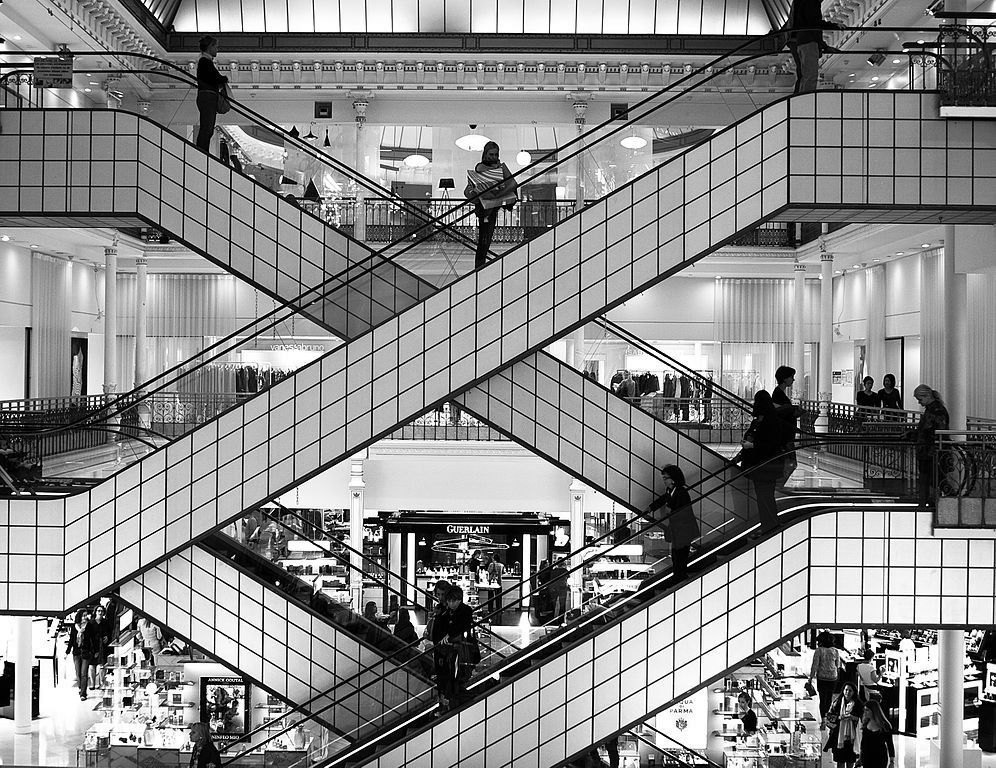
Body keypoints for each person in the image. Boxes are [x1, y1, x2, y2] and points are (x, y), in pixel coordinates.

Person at [740, 390, 790, 534]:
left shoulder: (771, 421)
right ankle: (768, 524)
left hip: (767, 466)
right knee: (763, 498)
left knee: (766, 497)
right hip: (760, 466)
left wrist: (752, 445)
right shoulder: (760, 420)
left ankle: (770, 526)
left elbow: (772, 444)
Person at [464, 141, 517, 269]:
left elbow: (512, 184)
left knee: (485, 239)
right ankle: (479, 267)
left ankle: (480, 267)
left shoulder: (501, 168)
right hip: (484, 208)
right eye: (491, 154)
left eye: (496, 154)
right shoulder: (480, 169)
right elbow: (468, 191)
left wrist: (498, 195)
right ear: (485, 154)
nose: (493, 157)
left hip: (493, 207)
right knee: (484, 240)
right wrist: (476, 193)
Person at [645, 465, 699, 580]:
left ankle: (680, 576)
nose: (664, 481)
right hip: (678, 529)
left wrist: (670, 511)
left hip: (684, 529)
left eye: (665, 478)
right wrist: (650, 508)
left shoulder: (681, 492)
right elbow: (663, 499)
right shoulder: (671, 490)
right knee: (676, 554)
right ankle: (678, 575)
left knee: (680, 554)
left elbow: (683, 511)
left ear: (673, 479)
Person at [430, 586, 475, 710]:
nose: (450, 603)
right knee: (447, 675)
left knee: (453, 676)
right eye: (449, 601)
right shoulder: (446, 611)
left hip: (457, 650)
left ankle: (450, 701)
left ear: (459, 600)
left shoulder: (462, 611)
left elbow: (461, 627)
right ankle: (447, 700)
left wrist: (449, 635)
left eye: (453, 601)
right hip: (447, 649)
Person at [783, 0, 841, 94]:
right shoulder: (811, 2)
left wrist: (824, 46)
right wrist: (834, 25)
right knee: (810, 75)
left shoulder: (800, 3)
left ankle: (800, 100)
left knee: (804, 75)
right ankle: (805, 101)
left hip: (799, 41)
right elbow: (813, 23)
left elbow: (808, 23)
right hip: (808, 41)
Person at [910, 384, 950, 505]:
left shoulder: (937, 410)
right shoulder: (933, 409)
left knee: (934, 480)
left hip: (932, 452)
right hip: (928, 452)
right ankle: (928, 503)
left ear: (927, 396)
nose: (919, 403)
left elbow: (936, 431)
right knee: (931, 479)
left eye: (920, 400)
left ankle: (931, 504)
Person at [195, 36, 228, 154]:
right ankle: (202, 151)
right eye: (215, 46)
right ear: (210, 47)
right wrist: (223, 79)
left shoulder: (205, 61)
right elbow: (213, 78)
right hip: (208, 97)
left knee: (208, 127)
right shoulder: (205, 62)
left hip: (207, 97)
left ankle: (203, 151)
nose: (217, 49)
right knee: (207, 127)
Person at [772, 365, 802, 485]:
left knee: (789, 463)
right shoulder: (778, 394)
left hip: (786, 434)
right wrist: (792, 409)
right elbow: (780, 412)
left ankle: (778, 486)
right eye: (791, 377)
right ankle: (778, 486)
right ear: (785, 378)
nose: (793, 380)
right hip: (784, 435)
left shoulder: (780, 393)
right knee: (789, 463)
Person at [810, 631, 844, 726]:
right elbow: (837, 665)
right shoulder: (835, 651)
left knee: (822, 698)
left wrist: (810, 678)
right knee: (829, 697)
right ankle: (826, 714)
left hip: (822, 677)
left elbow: (815, 665)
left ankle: (823, 719)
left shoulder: (819, 651)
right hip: (833, 677)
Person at [66, 609, 101, 700]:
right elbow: (71, 640)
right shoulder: (74, 627)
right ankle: (81, 688)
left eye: (86, 615)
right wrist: (67, 651)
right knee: (78, 673)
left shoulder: (89, 626)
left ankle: (83, 693)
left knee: (84, 673)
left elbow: (93, 639)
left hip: (86, 652)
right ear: (79, 616)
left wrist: (96, 650)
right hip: (76, 653)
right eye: (83, 615)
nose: (85, 617)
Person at [825, 682, 862, 768]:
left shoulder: (858, 704)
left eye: (850, 691)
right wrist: (839, 717)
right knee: (840, 762)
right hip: (838, 737)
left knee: (850, 761)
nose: (847, 692)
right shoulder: (837, 703)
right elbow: (829, 717)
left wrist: (853, 718)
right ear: (843, 691)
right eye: (846, 690)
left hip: (852, 738)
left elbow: (863, 719)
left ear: (854, 692)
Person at [859, 698, 896, 768]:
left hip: (880, 758)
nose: (865, 712)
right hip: (867, 757)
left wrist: (892, 761)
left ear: (873, 711)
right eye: (864, 710)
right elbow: (863, 743)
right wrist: (860, 757)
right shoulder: (865, 724)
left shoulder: (885, 726)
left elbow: (890, 744)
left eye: (867, 710)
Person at [90, 604, 112, 688]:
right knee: (92, 666)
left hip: (103, 646)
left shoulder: (105, 622)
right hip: (93, 646)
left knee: (102, 665)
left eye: (102, 611)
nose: (100, 612)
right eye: (98, 611)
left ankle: (102, 683)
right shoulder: (91, 622)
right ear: (95, 612)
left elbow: (109, 632)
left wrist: (107, 637)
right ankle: (92, 683)